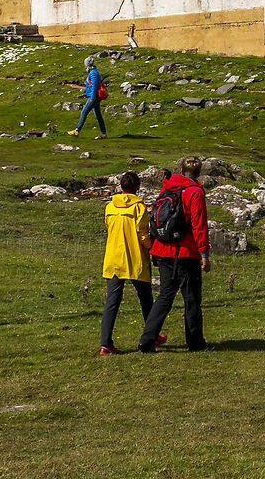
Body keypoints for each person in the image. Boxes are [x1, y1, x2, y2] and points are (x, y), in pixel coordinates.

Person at [139, 156, 211, 353]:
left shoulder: (167, 188)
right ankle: (195, 342)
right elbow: (198, 225)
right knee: (192, 299)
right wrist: (204, 253)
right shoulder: (195, 192)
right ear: (198, 173)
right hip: (186, 252)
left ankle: (147, 340)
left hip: (162, 249)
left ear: (180, 170)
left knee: (165, 296)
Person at [98, 172, 151, 355]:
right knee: (146, 299)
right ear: (137, 187)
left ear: (121, 187)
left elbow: (108, 226)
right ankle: (152, 334)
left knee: (112, 301)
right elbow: (142, 232)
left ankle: (105, 343)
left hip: (113, 257)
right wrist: (151, 247)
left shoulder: (110, 206)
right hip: (135, 257)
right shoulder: (139, 207)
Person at [72, 56, 108, 136]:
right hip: (96, 97)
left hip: (94, 97)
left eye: (85, 65)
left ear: (88, 65)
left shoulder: (93, 73)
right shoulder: (93, 72)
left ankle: (77, 131)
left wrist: (92, 98)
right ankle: (104, 133)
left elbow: (94, 86)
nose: (84, 66)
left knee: (84, 112)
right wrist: (85, 95)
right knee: (98, 115)